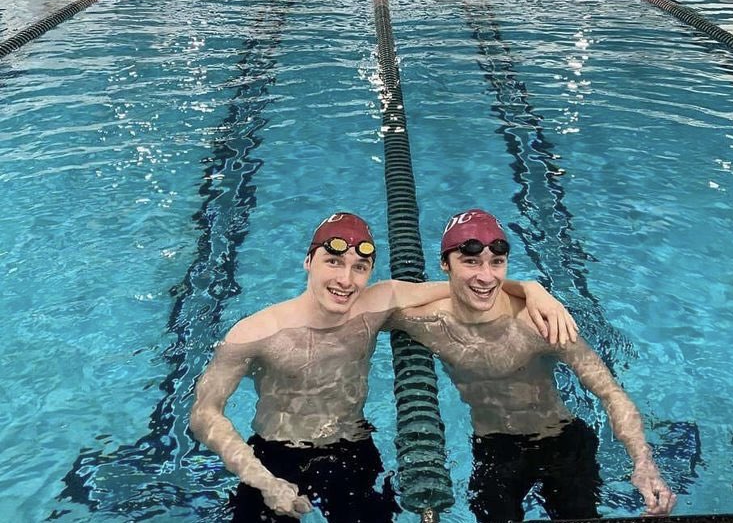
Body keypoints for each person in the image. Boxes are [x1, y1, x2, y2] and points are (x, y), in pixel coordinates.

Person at [189, 212, 578, 522]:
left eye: (360, 267)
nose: (346, 279)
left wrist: (533, 289)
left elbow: (468, 285)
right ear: (308, 261)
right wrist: (263, 480)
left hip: (352, 448)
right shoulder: (255, 332)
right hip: (273, 454)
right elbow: (205, 414)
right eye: (334, 262)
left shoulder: (378, 303)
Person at [386, 209, 677, 521]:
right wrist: (527, 285)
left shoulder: (540, 323)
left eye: (497, 263)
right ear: (445, 264)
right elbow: (360, 308)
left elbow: (609, 392)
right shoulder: (427, 322)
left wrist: (643, 462)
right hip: (495, 450)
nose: (486, 276)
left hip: (561, 440)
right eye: (470, 262)